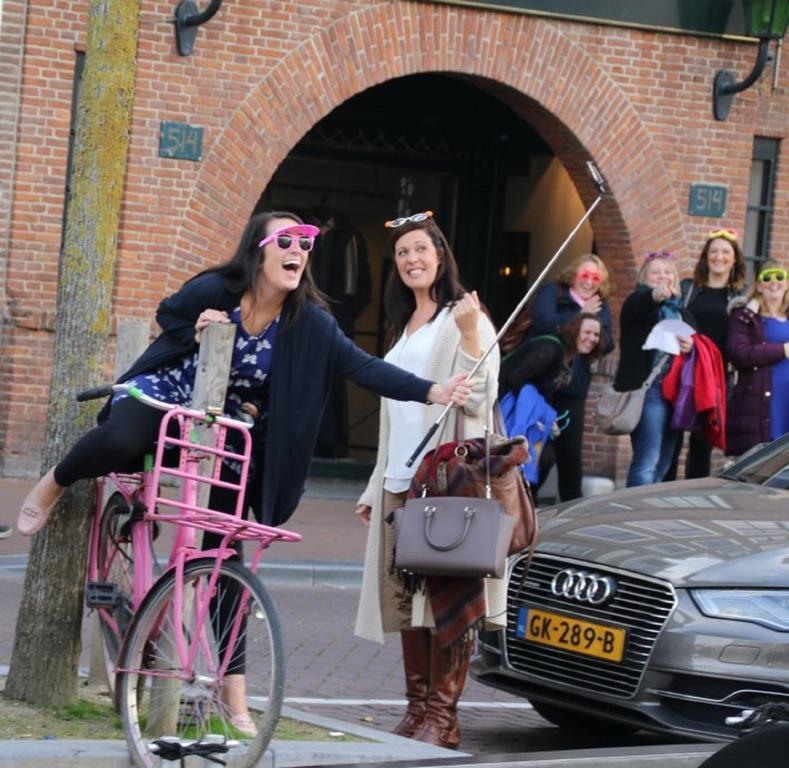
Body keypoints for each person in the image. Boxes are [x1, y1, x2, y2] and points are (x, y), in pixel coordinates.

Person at [16, 210, 470, 735]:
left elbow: (361, 367)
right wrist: (198, 327)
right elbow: (170, 314)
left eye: (305, 241)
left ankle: (234, 696)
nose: (298, 248)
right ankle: (55, 482)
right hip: (172, 390)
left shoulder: (310, 322)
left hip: (225, 423)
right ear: (259, 250)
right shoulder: (218, 286)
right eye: (286, 239)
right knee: (120, 439)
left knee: (220, 549)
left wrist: (433, 390)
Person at [353, 211, 499, 750]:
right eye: (402, 254)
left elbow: (481, 396)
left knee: (445, 599)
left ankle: (445, 716)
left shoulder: (465, 318)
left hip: (444, 483)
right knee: (408, 602)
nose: (412, 259)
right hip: (400, 481)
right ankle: (418, 710)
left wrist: (466, 333)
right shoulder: (403, 327)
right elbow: (396, 417)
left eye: (421, 249)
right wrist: (376, 487)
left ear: (440, 254)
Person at [515, 254, 614, 501]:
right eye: (585, 276)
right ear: (573, 274)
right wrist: (581, 314)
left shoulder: (600, 305)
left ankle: (572, 507)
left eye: (595, 278)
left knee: (570, 455)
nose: (590, 282)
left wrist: (593, 333)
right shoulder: (554, 292)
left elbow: (607, 343)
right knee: (538, 451)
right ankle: (526, 502)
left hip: (573, 387)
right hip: (540, 384)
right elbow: (543, 322)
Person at [665, 228, 746, 479]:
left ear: (735, 259)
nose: (719, 257)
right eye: (714, 251)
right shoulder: (688, 289)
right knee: (671, 439)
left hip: (716, 377)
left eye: (725, 252)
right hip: (682, 370)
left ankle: (691, 498)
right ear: (705, 256)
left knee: (702, 444)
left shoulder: (741, 297)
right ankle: (661, 496)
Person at [613, 253, 695, 487]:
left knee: (664, 462)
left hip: (678, 391)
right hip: (650, 389)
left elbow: (696, 341)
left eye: (668, 272)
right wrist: (654, 296)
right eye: (656, 272)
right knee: (647, 460)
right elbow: (639, 307)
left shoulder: (682, 310)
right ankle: (633, 511)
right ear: (644, 277)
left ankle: (643, 506)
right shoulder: (637, 301)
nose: (663, 276)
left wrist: (692, 344)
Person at [499, 313, 606, 486]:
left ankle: (524, 501)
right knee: (537, 458)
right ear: (573, 331)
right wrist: (540, 411)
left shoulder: (567, 356)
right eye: (587, 332)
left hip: (521, 412)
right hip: (505, 409)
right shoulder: (550, 349)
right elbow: (516, 379)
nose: (592, 338)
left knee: (544, 458)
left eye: (596, 334)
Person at [726, 260, 789, 457]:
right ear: (759, 286)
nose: (774, 282)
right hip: (760, 403)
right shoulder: (746, 317)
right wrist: (783, 350)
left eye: (780, 276)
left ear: (787, 283)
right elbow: (738, 354)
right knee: (758, 467)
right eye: (767, 277)